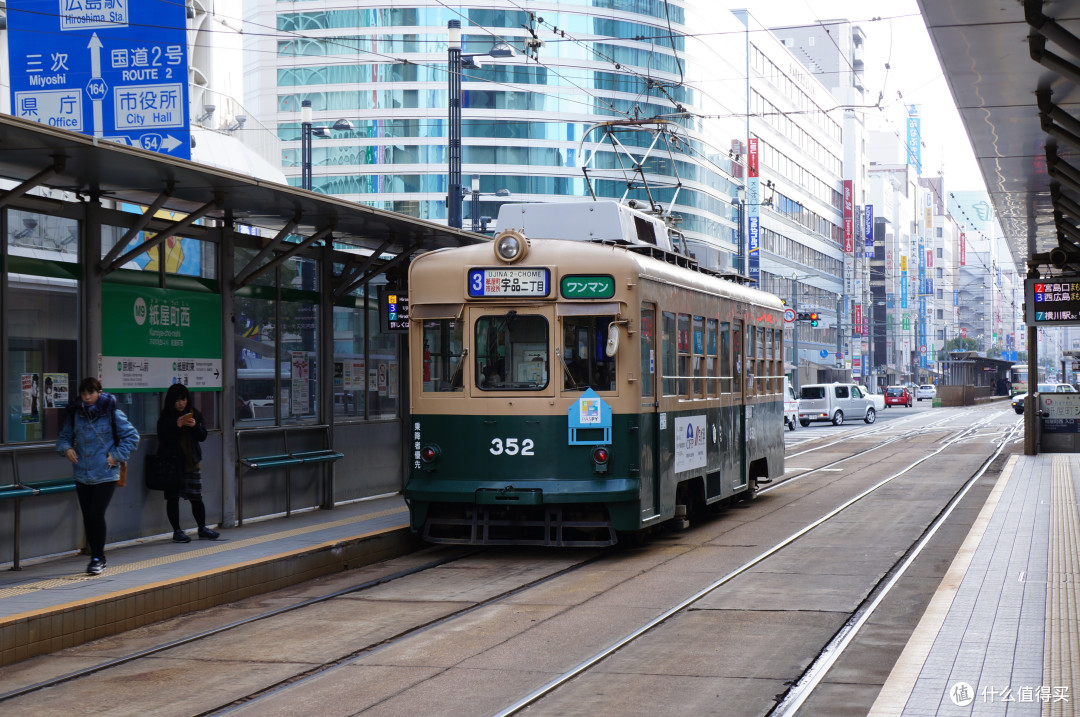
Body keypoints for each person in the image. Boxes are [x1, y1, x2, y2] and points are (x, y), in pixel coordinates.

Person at [55, 377, 140, 575]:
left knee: (96, 513)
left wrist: (116, 456)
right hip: (82, 472)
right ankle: (95, 555)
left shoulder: (111, 412)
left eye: (91, 393)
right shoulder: (75, 413)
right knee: (87, 516)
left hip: (105, 473)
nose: (87, 397)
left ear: (99, 392)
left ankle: (98, 558)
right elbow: (64, 437)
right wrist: (66, 449)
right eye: (84, 394)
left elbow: (132, 436)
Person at [157, 383, 219, 543]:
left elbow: (202, 436)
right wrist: (176, 427)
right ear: (171, 401)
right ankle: (177, 531)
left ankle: (202, 528)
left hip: (192, 462)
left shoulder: (194, 415)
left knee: (196, 497)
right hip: (172, 465)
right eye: (177, 400)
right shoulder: (165, 418)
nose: (180, 403)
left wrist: (195, 427)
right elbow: (163, 439)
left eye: (183, 399)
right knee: (173, 498)